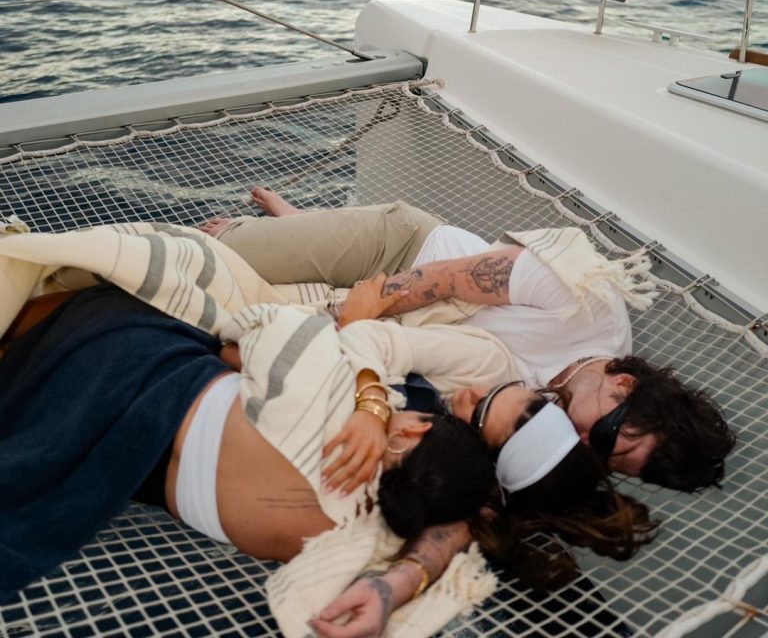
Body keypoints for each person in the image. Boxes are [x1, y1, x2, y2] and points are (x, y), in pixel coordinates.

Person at [0, 219, 652, 638]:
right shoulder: (395, 528)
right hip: (146, 470)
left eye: (485, 408)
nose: (476, 393)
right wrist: (396, 584)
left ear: (416, 432)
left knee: (128, 296)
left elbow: (246, 341)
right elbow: (460, 531)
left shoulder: (356, 410)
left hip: (136, 364)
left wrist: (366, 396)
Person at [201, 189, 736, 494]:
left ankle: (302, 229)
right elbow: (445, 279)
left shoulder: (552, 428)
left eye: (605, 460)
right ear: (625, 385)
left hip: (400, 331)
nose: (582, 443)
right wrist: (341, 316)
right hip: (402, 253)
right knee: (218, 247)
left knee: (236, 302)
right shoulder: (584, 301)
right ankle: (296, 230)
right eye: (606, 434)